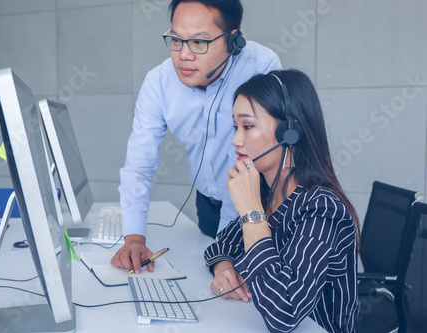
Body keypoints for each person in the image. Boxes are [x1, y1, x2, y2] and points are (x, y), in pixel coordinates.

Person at [112, 0, 281, 274]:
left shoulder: (261, 66)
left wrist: (224, 253)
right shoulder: (158, 82)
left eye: (199, 43)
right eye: (176, 40)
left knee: (246, 296)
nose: (184, 55)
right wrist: (133, 238)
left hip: (256, 206)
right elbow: (139, 165)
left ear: (232, 40)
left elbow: (244, 160)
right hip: (208, 205)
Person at [204, 69, 360, 332]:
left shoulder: (322, 209)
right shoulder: (268, 190)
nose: (235, 141)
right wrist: (223, 268)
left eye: (248, 126)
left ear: (290, 133)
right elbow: (221, 246)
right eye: (235, 127)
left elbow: (284, 314)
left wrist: (251, 212)